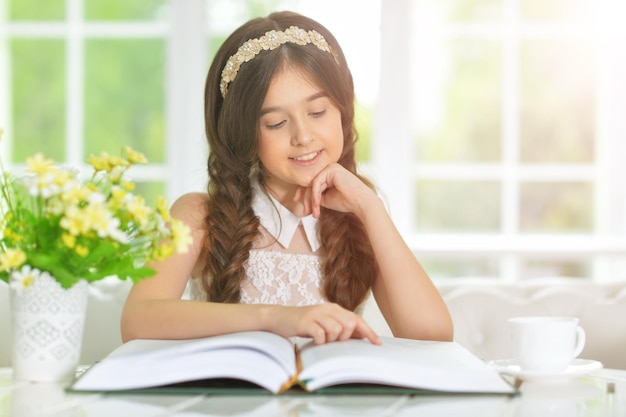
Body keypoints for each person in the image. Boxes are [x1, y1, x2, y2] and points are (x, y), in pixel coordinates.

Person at [121, 10, 453, 345]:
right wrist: (275, 317)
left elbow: (432, 335)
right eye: (277, 123)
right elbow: (137, 321)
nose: (303, 137)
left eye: (317, 112)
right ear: (245, 133)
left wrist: (370, 207)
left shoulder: (360, 217)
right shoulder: (200, 215)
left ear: (343, 110)